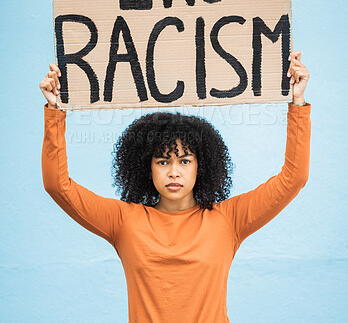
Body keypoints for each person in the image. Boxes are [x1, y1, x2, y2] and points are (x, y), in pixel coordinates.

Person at [40, 51, 310, 323]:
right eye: (162, 161)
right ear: (147, 167)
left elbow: (293, 178)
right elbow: (58, 186)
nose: (173, 172)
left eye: (184, 160)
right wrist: (55, 110)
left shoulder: (228, 219)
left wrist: (297, 101)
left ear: (200, 166)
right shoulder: (125, 222)